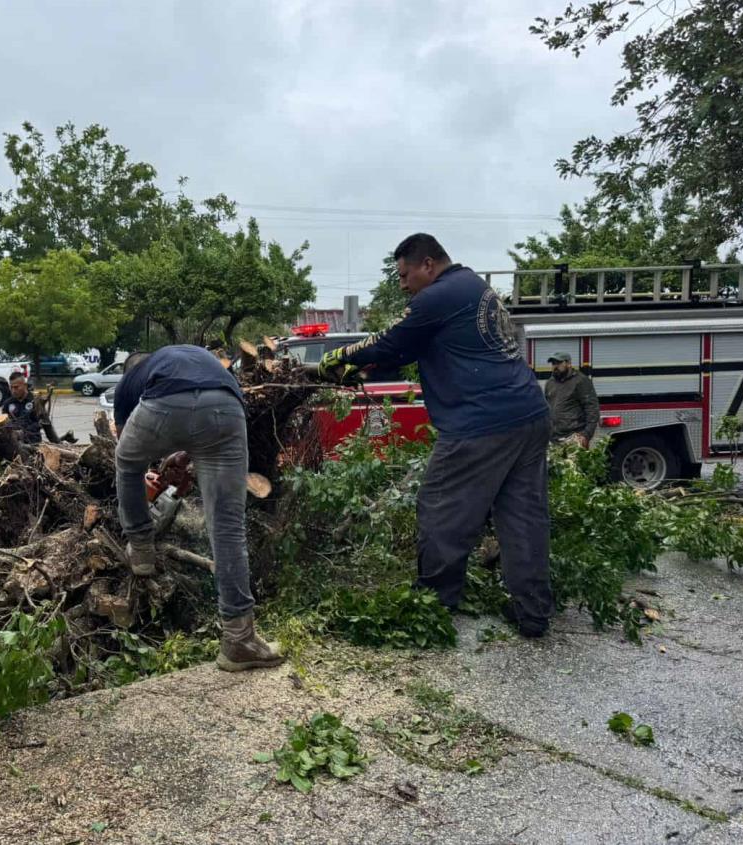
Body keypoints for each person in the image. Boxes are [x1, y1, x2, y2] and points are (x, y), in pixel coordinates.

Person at [318, 233, 554, 637]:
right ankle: (533, 613)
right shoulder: (475, 287)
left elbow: (391, 341)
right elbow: (410, 350)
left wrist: (341, 357)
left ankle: (434, 603)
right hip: (529, 413)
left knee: (440, 506)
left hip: (482, 422)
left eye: (405, 275)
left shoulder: (437, 296)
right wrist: (371, 367)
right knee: (522, 516)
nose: (402, 284)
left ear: (428, 264)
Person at [113, 345, 284, 671]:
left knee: (126, 461)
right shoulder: (191, 357)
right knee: (228, 527)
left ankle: (141, 548)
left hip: (165, 404)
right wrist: (187, 454)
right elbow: (203, 411)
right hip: (227, 409)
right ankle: (239, 639)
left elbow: (125, 444)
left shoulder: (130, 380)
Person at [545, 352, 599, 447]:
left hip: (574, 438)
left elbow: (592, 409)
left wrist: (586, 435)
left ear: (568, 363)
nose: (555, 366)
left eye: (558, 363)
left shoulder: (580, 381)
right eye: (553, 364)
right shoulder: (550, 383)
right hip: (554, 439)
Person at [2, 371, 42, 446]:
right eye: (11, 387)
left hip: (33, 442)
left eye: (16, 387)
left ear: (25, 385)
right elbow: (5, 423)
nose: (13, 391)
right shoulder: (7, 404)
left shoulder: (34, 401)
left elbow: (39, 423)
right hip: (14, 443)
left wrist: (23, 432)